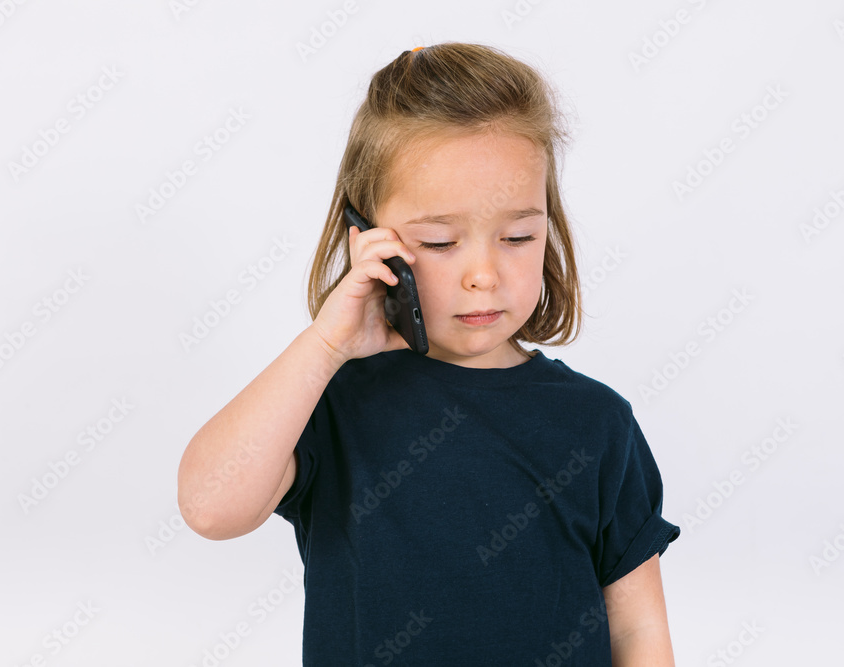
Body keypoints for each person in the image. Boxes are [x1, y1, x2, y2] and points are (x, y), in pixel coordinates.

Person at [178, 42, 681, 666]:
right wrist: (326, 345)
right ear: (370, 242)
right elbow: (209, 508)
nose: (484, 274)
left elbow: (638, 632)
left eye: (518, 236)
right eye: (441, 242)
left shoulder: (598, 422)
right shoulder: (332, 401)